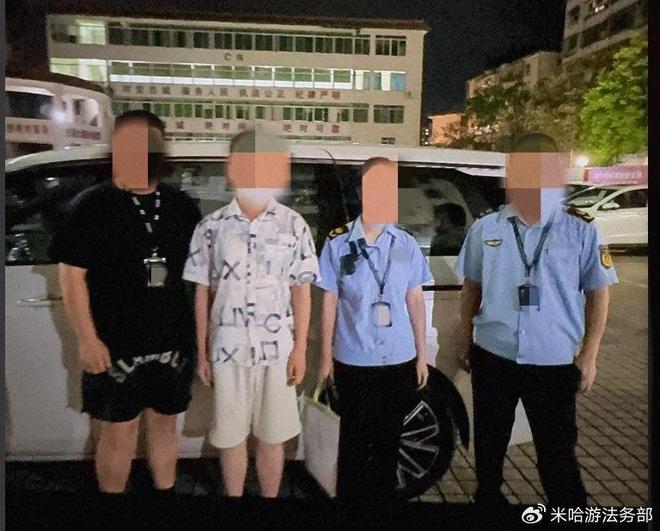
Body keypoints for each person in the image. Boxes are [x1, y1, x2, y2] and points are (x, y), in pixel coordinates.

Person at [455, 133, 618, 512]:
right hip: (494, 354)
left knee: (556, 451)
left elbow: (598, 293)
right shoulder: (487, 227)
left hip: (554, 361)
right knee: (489, 444)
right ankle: (488, 502)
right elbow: (471, 288)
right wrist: (465, 336)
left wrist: (590, 354)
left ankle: (569, 511)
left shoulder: (581, 229)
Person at [52, 109, 202, 498]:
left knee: (165, 426)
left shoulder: (181, 206)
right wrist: (87, 340)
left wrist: (201, 341)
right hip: (113, 341)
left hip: (172, 339)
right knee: (119, 431)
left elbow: (200, 276)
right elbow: (71, 277)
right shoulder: (91, 206)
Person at [183, 130, 319, 498]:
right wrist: (202, 352)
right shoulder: (211, 227)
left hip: (277, 350)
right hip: (227, 348)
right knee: (230, 439)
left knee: (272, 439)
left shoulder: (294, 224)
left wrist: (300, 349)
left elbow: (301, 290)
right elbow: (202, 291)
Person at [316, 157, 432, 511]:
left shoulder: (405, 244)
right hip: (354, 359)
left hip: (398, 359)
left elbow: (415, 299)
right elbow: (329, 302)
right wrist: (325, 359)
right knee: (352, 445)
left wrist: (422, 354)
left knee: (388, 444)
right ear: (361, 190)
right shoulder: (338, 243)